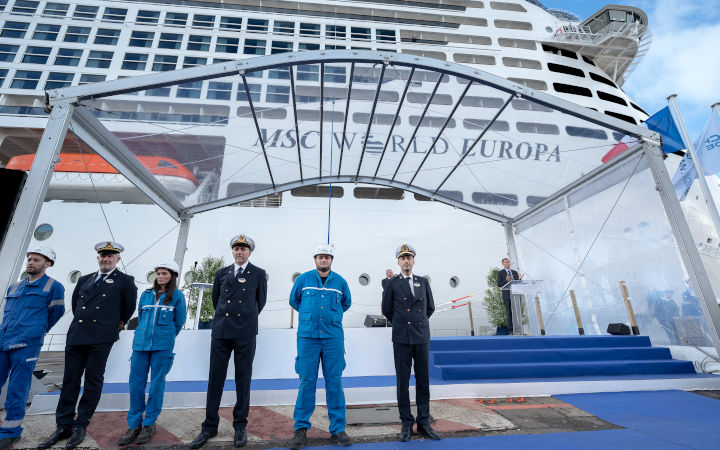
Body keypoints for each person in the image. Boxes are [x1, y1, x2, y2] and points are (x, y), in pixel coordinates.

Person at [38, 242, 137, 450]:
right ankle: (63, 425)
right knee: (69, 381)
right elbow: (76, 306)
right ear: (98, 258)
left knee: (93, 381)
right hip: (77, 336)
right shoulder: (84, 279)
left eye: (110, 256)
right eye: (102, 256)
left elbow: (127, 309)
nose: (106, 259)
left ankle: (81, 424)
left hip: (101, 338)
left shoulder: (125, 281)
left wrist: (111, 327)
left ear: (117, 259)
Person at [191, 235, 267, 449]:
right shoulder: (221, 273)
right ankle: (209, 426)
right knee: (215, 379)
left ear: (250, 252)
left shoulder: (259, 274)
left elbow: (260, 302)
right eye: (236, 249)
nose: (239, 252)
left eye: (243, 249)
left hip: (245, 332)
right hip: (222, 332)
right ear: (232, 252)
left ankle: (240, 426)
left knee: (243, 379)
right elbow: (216, 300)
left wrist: (244, 317)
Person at [288, 244, 352, 449]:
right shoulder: (303, 280)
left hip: (333, 338)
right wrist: (310, 317)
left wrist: (330, 318)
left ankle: (338, 429)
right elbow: (294, 301)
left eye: (327, 257)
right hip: (308, 338)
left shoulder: (340, 282)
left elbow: (346, 303)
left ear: (331, 260)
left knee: (335, 382)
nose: (324, 260)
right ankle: (300, 429)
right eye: (320, 257)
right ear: (315, 259)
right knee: (307, 382)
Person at [0, 247, 64, 450]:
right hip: (3, 341)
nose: (30, 262)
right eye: (29, 259)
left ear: (48, 264)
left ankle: (11, 431)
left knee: (17, 388)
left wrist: (36, 331)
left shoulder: (54, 287)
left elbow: (56, 313)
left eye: (36, 260)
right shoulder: (14, 287)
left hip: (27, 344)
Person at [118, 260, 187, 446]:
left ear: (172, 276)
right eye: (158, 273)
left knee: (156, 385)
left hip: (162, 347)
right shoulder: (146, 295)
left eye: (164, 273)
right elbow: (141, 317)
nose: (160, 276)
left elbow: (179, 322)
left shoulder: (178, 296)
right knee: (136, 384)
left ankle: (149, 423)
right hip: (140, 345)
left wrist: (166, 338)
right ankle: (134, 424)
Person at [381, 244, 440, 442]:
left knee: (423, 381)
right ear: (398, 262)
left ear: (413, 261)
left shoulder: (423, 282)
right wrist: (402, 324)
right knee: (403, 382)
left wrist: (418, 324)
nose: (406, 261)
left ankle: (424, 421)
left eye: (409, 258)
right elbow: (387, 310)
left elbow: (429, 308)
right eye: (403, 258)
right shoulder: (392, 283)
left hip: (421, 337)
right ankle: (406, 422)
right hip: (402, 338)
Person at [496, 258, 523, 335]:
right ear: (503, 264)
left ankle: (519, 329)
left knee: (518, 312)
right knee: (509, 312)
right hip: (507, 295)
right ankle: (511, 331)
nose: (508, 263)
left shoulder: (514, 272)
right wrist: (506, 281)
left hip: (516, 295)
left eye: (509, 262)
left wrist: (519, 280)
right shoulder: (500, 273)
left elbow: (517, 283)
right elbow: (499, 284)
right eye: (506, 262)